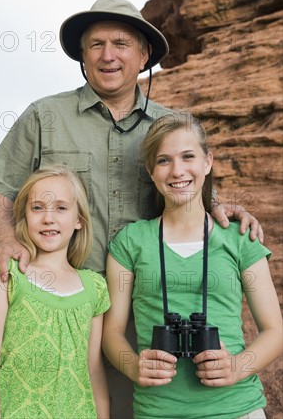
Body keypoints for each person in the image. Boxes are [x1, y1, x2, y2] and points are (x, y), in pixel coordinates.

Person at [0, 0, 263, 417]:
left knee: (140, 405)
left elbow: (188, 187)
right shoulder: (44, 116)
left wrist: (224, 209)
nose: (107, 55)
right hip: (69, 303)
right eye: (95, 45)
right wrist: (4, 239)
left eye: (121, 44)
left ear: (144, 54)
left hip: (148, 305)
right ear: (82, 54)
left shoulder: (169, 127)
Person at [103, 110, 282, 419]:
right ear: (150, 169)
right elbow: (112, 333)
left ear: (207, 162)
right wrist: (134, 366)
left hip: (237, 408)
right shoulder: (130, 242)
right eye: (164, 160)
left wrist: (236, 368)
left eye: (188, 157)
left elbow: (274, 330)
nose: (177, 171)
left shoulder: (239, 238)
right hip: (158, 410)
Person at [0, 164, 110, 418]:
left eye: (61, 208)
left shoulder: (95, 288)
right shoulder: (6, 277)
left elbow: (93, 370)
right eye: (37, 208)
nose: (49, 218)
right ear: (24, 216)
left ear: (79, 219)